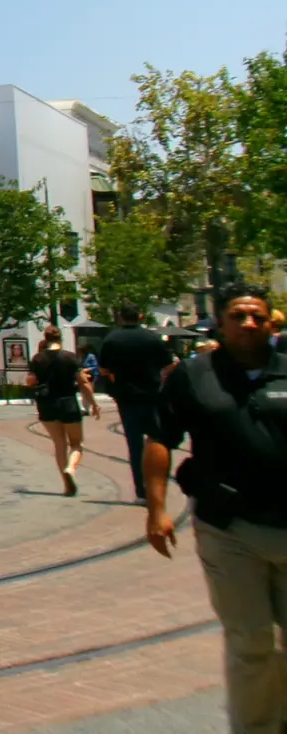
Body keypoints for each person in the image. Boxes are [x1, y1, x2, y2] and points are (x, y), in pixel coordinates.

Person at [145, 285, 287, 734]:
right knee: (251, 642)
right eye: (239, 316)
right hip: (229, 528)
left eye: (257, 316)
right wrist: (156, 510)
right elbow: (159, 441)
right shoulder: (193, 376)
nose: (249, 323)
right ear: (220, 323)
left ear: (271, 323)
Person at [97, 302, 177, 501]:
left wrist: (116, 377)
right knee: (158, 442)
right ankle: (159, 485)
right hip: (152, 396)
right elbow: (171, 363)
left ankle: (142, 492)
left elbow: (103, 369)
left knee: (135, 446)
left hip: (126, 397)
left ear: (120, 317)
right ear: (140, 316)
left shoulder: (112, 339)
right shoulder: (152, 338)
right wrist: (161, 378)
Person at [25, 324, 99, 496]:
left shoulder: (38, 359)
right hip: (68, 402)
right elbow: (83, 383)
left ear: (45, 338)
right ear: (60, 339)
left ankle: (66, 485)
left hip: (46, 403)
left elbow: (30, 381)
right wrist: (93, 403)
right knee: (76, 444)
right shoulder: (70, 357)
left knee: (59, 444)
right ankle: (71, 469)